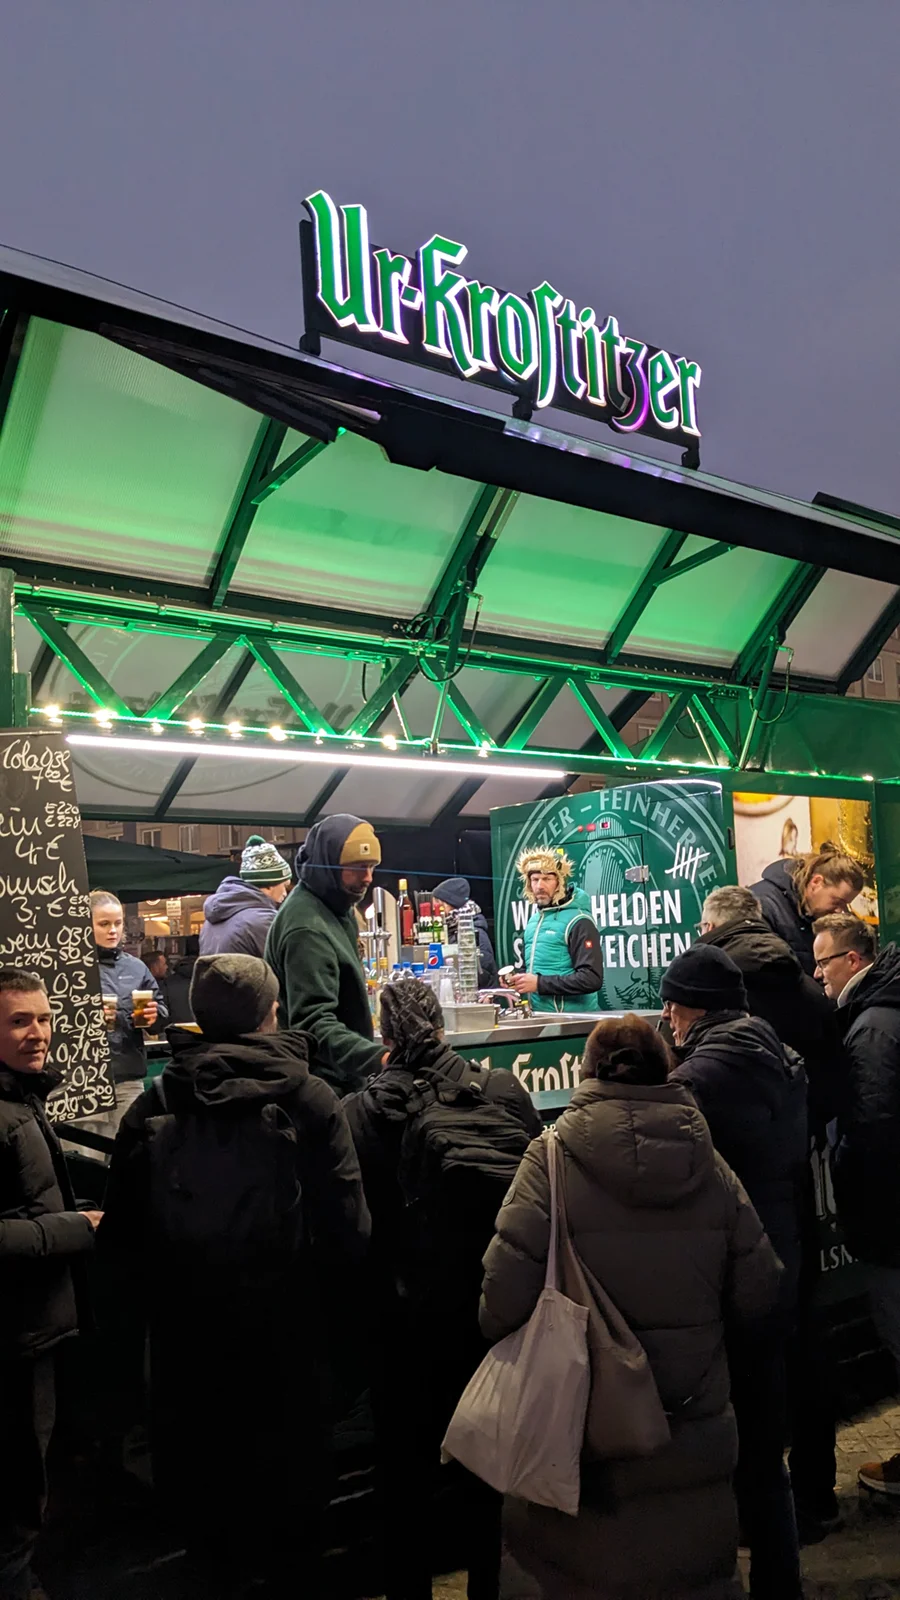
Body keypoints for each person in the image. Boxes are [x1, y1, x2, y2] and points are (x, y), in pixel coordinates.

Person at [480, 1012, 781, 1600]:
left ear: (587, 1072)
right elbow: (761, 1288)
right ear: (665, 1069)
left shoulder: (549, 1161)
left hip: (581, 1439)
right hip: (691, 1431)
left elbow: (499, 1302)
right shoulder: (710, 1164)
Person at [100, 954, 370, 1594]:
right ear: (270, 1013)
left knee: (208, 1531)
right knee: (293, 1531)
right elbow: (350, 1230)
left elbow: (121, 1242)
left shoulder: (157, 1100)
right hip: (288, 1340)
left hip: (188, 1347)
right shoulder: (309, 1097)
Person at [344, 977, 540, 1600]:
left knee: (402, 1479)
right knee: (487, 1473)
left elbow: (349, 1225)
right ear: (442, 1027)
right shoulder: (501, 1091)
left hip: (399, 1322)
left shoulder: (359, 1113)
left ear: (383, 1036)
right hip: (486, 1314)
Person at [698, 884, 843, 1540]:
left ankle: (758, 1513)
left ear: (712, 929)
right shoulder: (808, 988)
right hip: (796, 1183)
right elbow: (834, 1087)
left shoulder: (717, 992)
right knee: (806, 1338)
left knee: (748, 1359)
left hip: (734, 1193)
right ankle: (815, 1495)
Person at [664, 944, 807, 1600]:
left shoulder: (696, 1082)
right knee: (765, 1451)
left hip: (722, 1274)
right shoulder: (780, 1055)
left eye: (674, 1005)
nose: (668, 1017)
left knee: (719, 1451)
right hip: (776, 1259)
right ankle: (781, 1581)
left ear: (696, 1009)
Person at [0, 968, 102, 1600]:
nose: (37, 1033)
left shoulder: (21, 1098)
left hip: (33, 1326)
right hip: (14, 1335)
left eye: (43, 1018)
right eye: (18, 1021)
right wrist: (74, 1228)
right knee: (15, 1493)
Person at [812, 913, 900, 1496]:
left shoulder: (871, 1028)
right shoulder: (884, 1009)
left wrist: (841, 1170)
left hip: (891, 1216)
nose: (817, 974)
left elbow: (872, 1127)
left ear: (852, 960)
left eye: (823, 962)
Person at [266, 814, 383, 1096]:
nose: (368, 878)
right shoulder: (307, 929)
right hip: (319, 1091)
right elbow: (313, 1023)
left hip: (337, 1082)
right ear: (328, 865)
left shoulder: (336, 906)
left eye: (371, 867)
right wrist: (380, 1058)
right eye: (358, 868)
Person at [78, 892, 168, 1151]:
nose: (113, 930)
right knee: (86, 1158)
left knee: (130, 1158)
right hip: (83, 1080)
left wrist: (154, 1016)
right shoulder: (71, 967)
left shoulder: (136, 967)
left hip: (128, 1077)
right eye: (104, 924)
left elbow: (159, 1008)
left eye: (118, 923)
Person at [508, 846, 603, 1012]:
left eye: (547, 879)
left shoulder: (579, 921)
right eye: (535, 879)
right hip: (541, 1016)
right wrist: (517, 980)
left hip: (574, 1019)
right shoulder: (534, 921)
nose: (540, 886)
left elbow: (591, 978)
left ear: (560, 882)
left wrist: (539, 984)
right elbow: (532, 970)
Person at [751, 844, 864, 976]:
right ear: (816, 882)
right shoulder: (761, 906)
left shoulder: (811, 913)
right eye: (837, 901)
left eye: (846, 905)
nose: (841, 911)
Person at [199, 834, 292, 959]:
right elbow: (288, 965)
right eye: (284, 885)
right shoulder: (264, 920)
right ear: (269, 884)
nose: (285, 893)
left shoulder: (210, 923)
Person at [431, 877, 499, 988]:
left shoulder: (474, 932)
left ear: (447, 905)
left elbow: (483, 973)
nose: (434, 912)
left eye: (436, 907)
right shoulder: (452, 929)